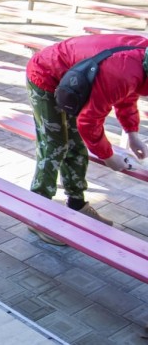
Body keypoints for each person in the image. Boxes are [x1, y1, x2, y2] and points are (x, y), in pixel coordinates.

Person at [25, 34, 148, 245]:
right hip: (45, 75)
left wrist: (132, 134)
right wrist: (109, 157)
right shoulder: (123, 71)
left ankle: (77, 204)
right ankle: (38, 214)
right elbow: (88, 122)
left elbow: (127, 94)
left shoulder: (139, 63)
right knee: (54, 145)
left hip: (75, 82)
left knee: (76, 145)